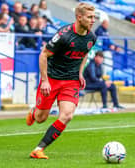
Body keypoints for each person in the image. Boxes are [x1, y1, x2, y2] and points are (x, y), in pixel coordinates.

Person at [26, 2, 96, 159]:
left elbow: (85, 52)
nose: (93, 20)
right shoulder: (64, 35)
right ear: (79, 17)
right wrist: (44, 80)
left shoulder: (91, 37)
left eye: (94, 17)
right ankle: (34, 112)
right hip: (52, 79)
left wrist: (80, 73)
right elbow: (43, 54)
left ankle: (38, 149)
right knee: (40, 118)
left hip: (71, 81)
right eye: (90, 17)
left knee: (67, 115)